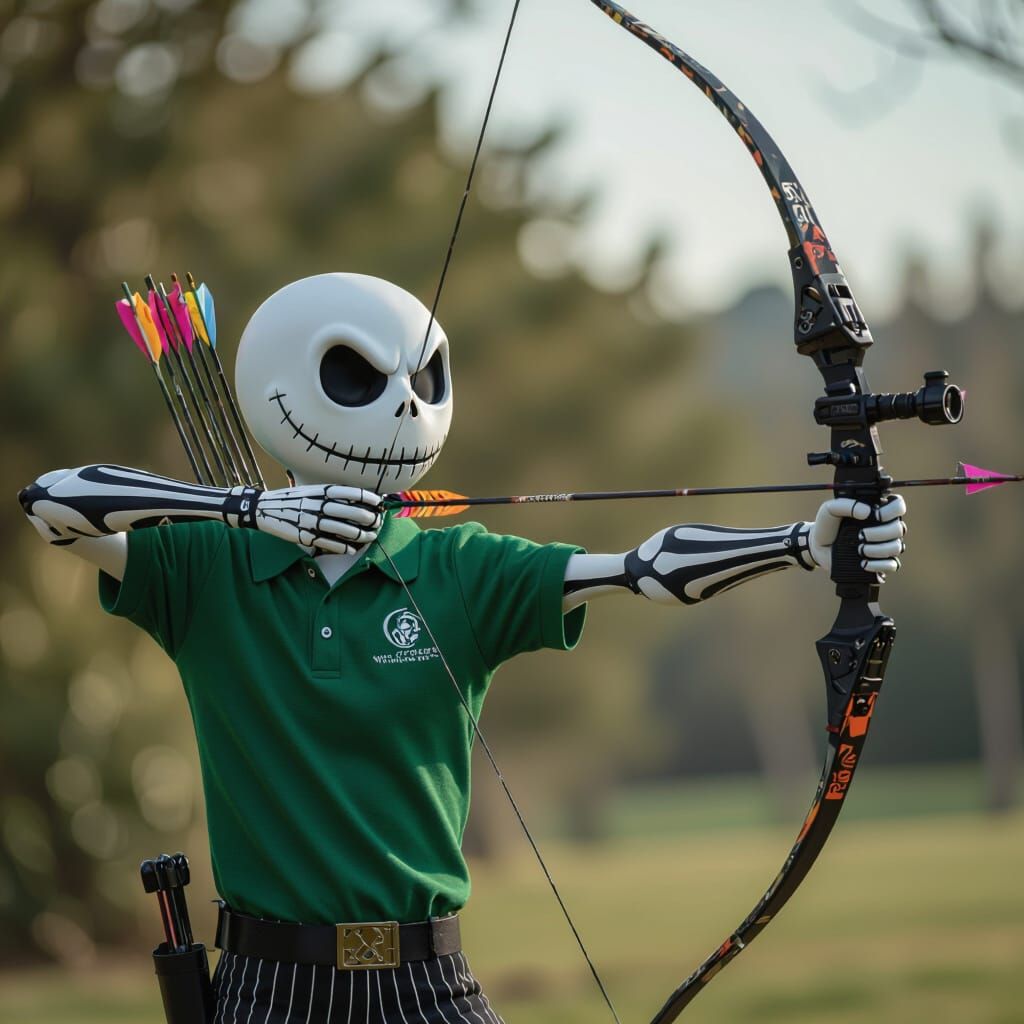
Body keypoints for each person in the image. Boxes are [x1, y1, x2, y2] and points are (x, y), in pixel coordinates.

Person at [19, 273, 907, 1023]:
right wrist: (248, 512)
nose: (405, 402)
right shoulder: (203, 569)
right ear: (275, 386)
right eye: (357, 375)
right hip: (266, 986)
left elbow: (640, 569)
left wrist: (803, 544)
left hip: (427, 983)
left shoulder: (460, 567)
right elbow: (51, 502)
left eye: (425, 377)